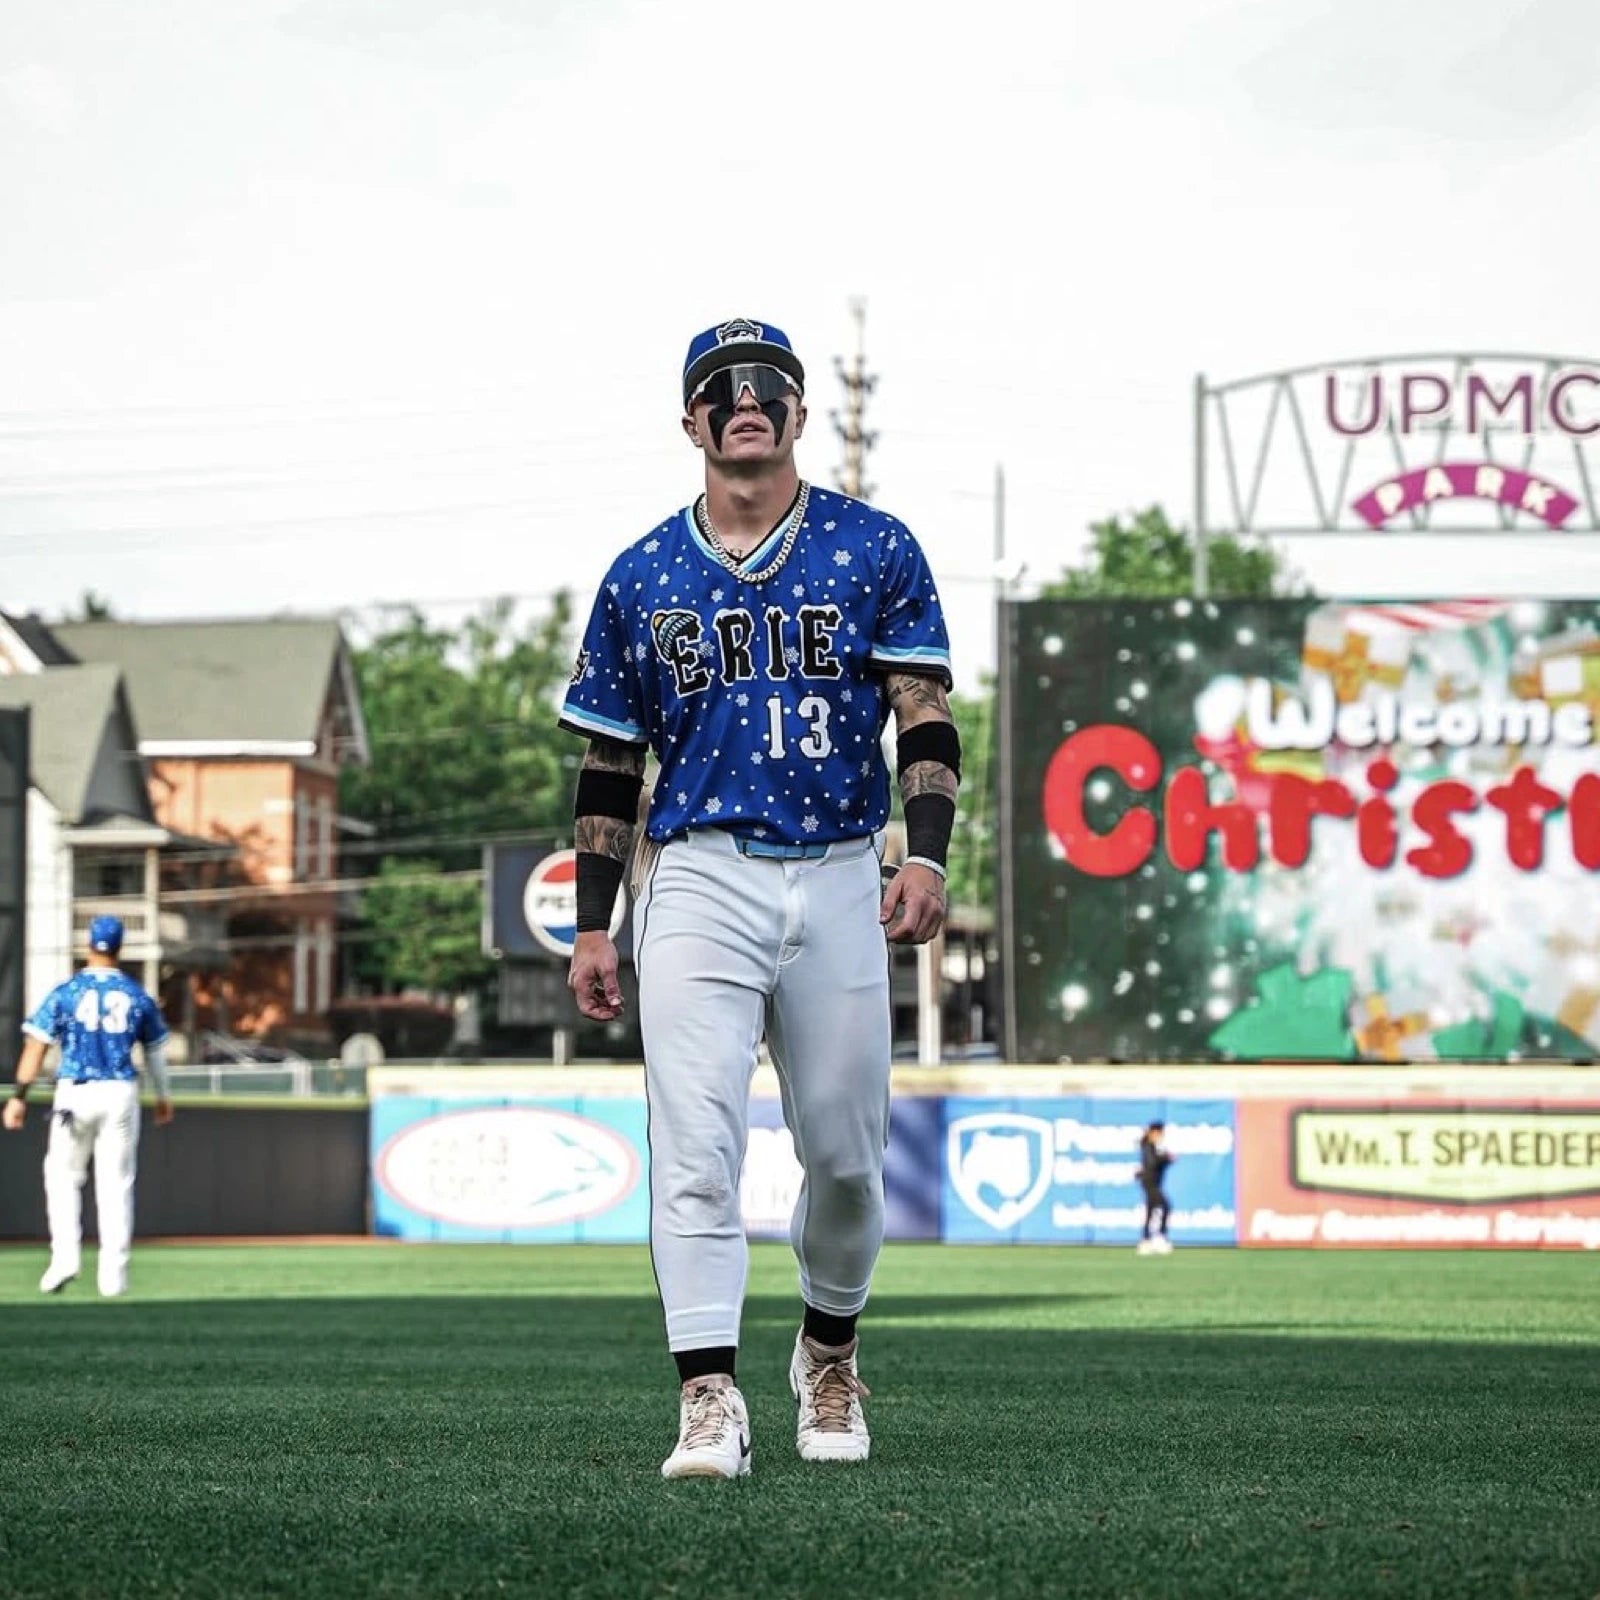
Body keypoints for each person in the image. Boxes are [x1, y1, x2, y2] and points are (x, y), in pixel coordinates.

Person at [561, 317, 960, 1479]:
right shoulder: (641, 573)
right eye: (720, 389)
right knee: (694, 1145)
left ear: (798, 411)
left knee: (843, 1152)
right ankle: (707, 1395)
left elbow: (924, 716)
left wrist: (923, 853)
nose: (745, 401)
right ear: (688, 420)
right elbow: (606, 767)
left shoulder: (873, 545)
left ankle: (826, 1353)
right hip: (694, 873)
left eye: (767, 385)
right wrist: (596, 918)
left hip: (839, 867)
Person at [2, 915, 174, 1296]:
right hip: (120, 1092)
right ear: (119, 948)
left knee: (63, 1178)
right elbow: (157, 1053)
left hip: (75, 1092)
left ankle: (65, 1259)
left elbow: (36, 1045)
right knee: (116, 1184)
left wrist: (18, 1097)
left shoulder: (67, 991)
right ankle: (114, 1276)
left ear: (88, 946)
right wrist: (163, 1096)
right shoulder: (136, 995)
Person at [1137, 1120, 1175, 1255]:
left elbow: (1157, 1163)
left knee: (1151, 1210)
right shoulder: (1148, 1146)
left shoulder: (1154, 1146)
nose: (1161, 1135)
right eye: (1160, 1133)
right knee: (1166, 1206)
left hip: (1154, 1182)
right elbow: (1152, 1163)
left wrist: (1167, 1160)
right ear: (1154, 1133)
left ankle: (1146, 1240)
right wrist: (1165, 1158)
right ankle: (1160, 1237)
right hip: (1150, 1183)